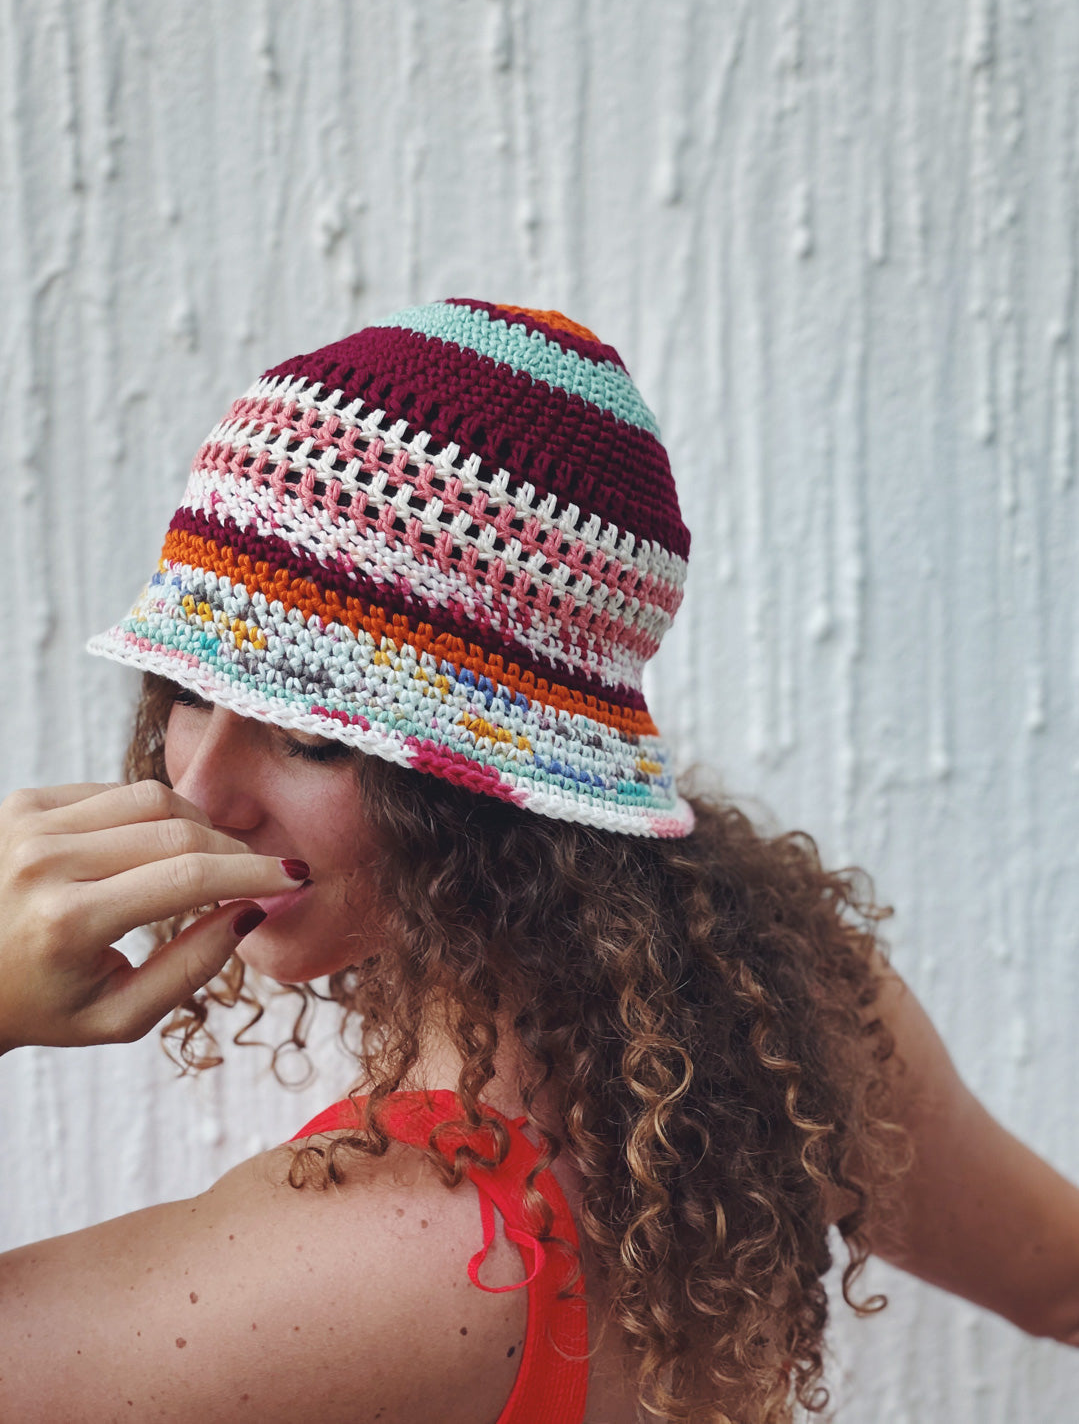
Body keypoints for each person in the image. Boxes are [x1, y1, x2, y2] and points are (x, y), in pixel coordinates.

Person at [0, 298, 1076, 1424]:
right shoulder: (783, 1008)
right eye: (186, 691)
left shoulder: (405, 1254)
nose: (198, 792)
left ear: (485, 790)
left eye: (312, 738)